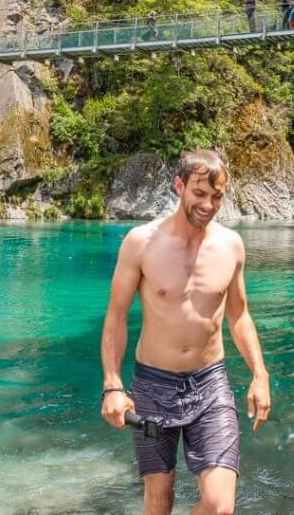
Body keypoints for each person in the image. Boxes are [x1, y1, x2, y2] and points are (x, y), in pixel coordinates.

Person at [101, 149, 271, 515]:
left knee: (219, 506)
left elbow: (239, 316)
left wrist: (260, 375)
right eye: (199, 193)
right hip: (152, 388)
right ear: (179, 186)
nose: (208, 204)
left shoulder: (231, 246)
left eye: (217, 196)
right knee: (159, 501)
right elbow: (115, 317)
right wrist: (113, 385)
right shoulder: (140, 243)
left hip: (211, 385)